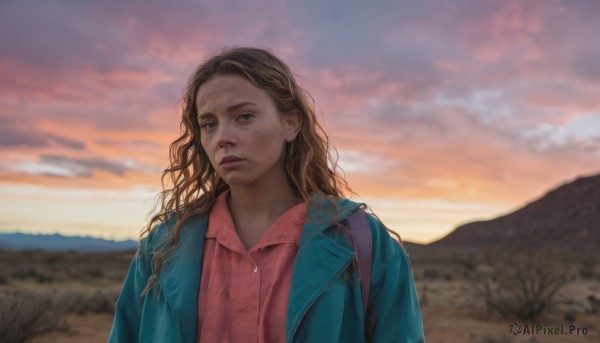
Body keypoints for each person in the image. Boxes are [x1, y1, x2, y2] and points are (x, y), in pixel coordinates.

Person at [108, 46, 424, 343]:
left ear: (290, 123)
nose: (223, 138)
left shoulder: (361, 241)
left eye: (244, 116)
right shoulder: (165, 246)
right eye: (209, 124)